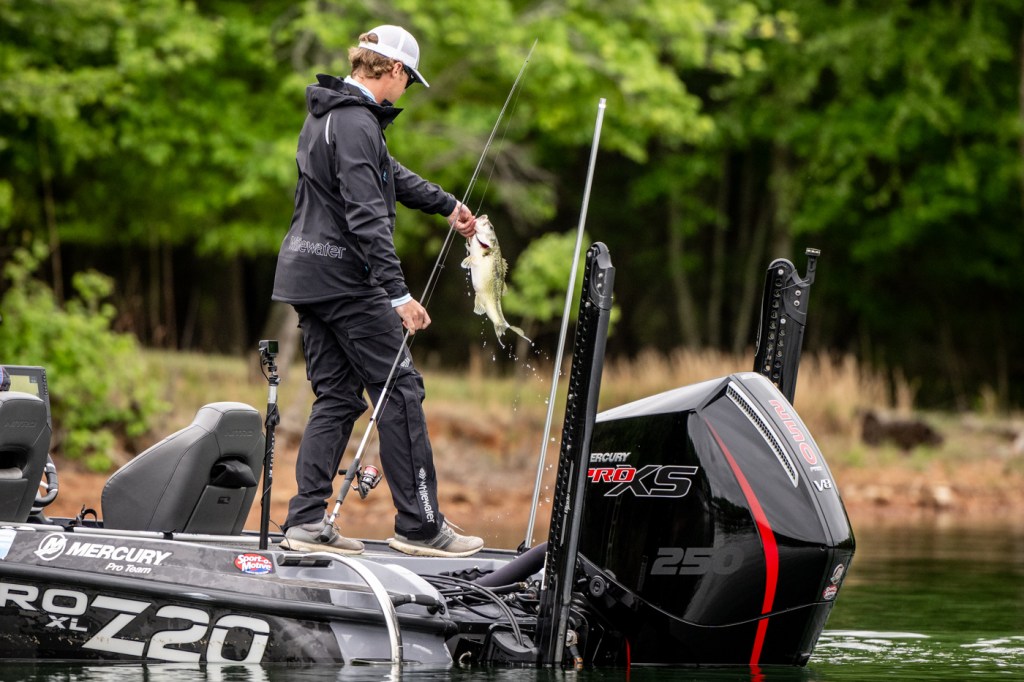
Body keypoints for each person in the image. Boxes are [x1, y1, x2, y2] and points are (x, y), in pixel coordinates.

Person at [272, 25, 483, 558]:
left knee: (338, 397)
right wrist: (398, 295)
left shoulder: (328, 113)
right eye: (409, 78)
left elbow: (388, 175)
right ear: (393, 69)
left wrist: (446, 205)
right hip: (346, 280)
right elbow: (367, 215)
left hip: (306, 275)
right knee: (401, 391)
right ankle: (421, 527)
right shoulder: (357, 120)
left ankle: (305, 522)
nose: (407, 88)